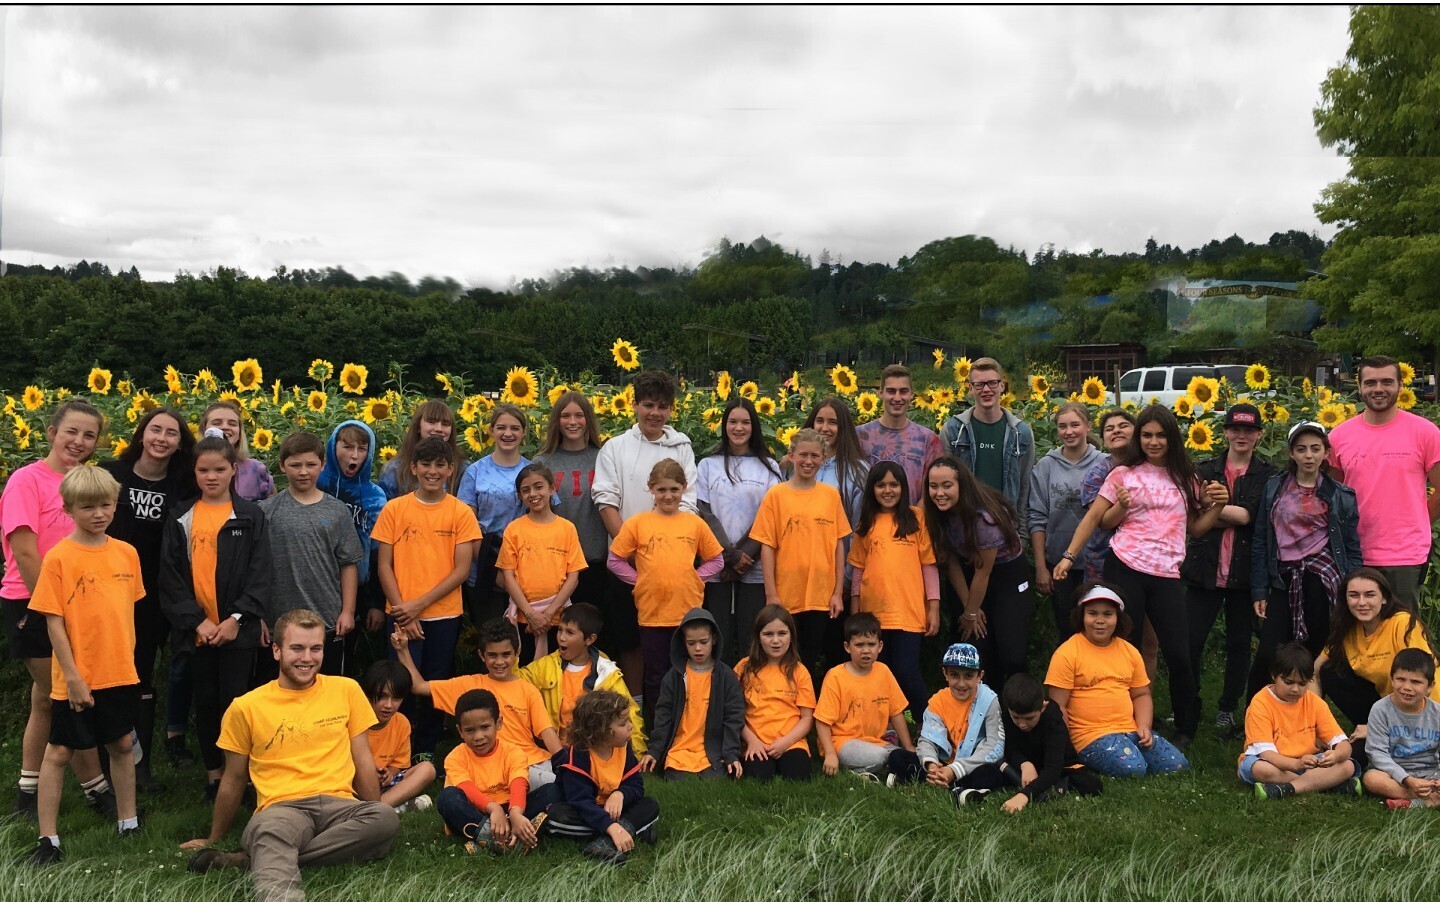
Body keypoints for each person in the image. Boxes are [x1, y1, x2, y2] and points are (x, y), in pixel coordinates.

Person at [181, 609, 400, 901]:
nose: (307, 658)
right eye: (297, 648)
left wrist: (370, 808)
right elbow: (233, 779)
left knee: (385, 818)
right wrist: (214, 837)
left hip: (339, 806)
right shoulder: (246, 707)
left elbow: (362, 759)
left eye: (316, 649)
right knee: (272, 831)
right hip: (282, 809)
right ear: (276, 650)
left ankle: (252, 859)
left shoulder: (346, 690)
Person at [1052, 405, 1229, 748]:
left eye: (1160, 435)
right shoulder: (1124, 473)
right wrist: (1068, 556)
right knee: (1123, 648)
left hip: (1166, 574)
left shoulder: (1185, 477)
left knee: (1178, 651)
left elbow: (1194, 527)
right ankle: (1123, 721)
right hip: (1125, 566)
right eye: (1146, 435)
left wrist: (1218, 506)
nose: (1153, 441)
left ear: (1171, 437)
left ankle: (1186, 727)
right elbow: (1094, 520)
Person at [2, 399, 117, 822]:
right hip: (32, 602)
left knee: (45, 700)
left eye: (89, 435)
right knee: (63, 695)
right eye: (71, 431)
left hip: (82, 603)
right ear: (51, 432)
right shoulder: (26, 481)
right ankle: (96, 789)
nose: (79, 442)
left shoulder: (87, 482)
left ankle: (27, 791)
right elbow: (26, 552)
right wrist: (50, 607)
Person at [26, 467, 144, 866]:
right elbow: (53, 622)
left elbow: (125, 614)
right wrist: (73, 676)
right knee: (59, 751)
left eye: (106, 505)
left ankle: (129, 822)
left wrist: (128, 661)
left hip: (120, 672)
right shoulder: (59, 558)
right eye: (87, 507)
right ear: (69, 508)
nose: (98, 513)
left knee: (122, 744)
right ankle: (48, 838)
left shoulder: (127, 553)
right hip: (76, 678)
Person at [158, 434, 272, 800]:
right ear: (194, 471)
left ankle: (242, 777)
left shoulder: (251, 516)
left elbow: (261, 574)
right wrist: (197, 621)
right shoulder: (181, 516)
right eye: (203, 470)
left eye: (219, 469)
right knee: (205, 703)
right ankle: (215, 776)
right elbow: (170, 578)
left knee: (237, 703)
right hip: (198, 633)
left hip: (236, 631)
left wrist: (236, 618)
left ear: (233, 470)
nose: (211, 477)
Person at [101, 406, 196, 791]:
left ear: (179, 444)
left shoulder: (183, 486)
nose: (161, 438)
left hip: (158, 595)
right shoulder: (112, 475)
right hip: (109, 589)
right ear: (141, 434)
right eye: (155, 430)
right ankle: (105, 761)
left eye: (171, 433)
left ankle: (138, 766)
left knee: (142, 674)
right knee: (109, 674)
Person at [593, 369, 698, 712]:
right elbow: (606, 502)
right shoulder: (615, 448)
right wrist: (634, 551)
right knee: (632, 639)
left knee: (672, 638)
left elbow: (689, 503)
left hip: (672, 566)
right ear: (635, 405)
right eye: (648, 404)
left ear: (671, 410)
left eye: (663, 406)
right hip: (629, 564)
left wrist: (664, 555)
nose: (655, 413)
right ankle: (638, 709)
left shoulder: (682, 447)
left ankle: (674, 707)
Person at [371, 435, 481, 758]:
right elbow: (384, 566)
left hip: (444, 615)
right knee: (400, 683)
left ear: (450, 469)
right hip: (401, 614)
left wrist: (419, 606)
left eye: (440, 465)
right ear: (414, 468)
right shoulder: (394, 510)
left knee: (437, 683)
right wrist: (405, 612)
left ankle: (426, 750)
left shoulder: (460, 513)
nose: (432, 471)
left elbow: (461, 570)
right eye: (426, 465)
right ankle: (396, 749)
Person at [1180, 403, 1277, 734]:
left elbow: (1250, 516)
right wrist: (1211, 511)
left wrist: (1213, 508)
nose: (1241, 435)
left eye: (1249, 430)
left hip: (1244, 573)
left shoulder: (1267, 474)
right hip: (1203, 570)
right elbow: (1191, 513)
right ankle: (1188, 702)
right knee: (1190, 641)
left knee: (1239, 645)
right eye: (1235, 429)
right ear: (1225, 432)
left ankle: (1228, 707)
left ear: (1259, 435)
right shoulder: (1205, 468)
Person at [1247, 422, 1360, 702]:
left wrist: (1354, 589)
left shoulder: (1340, 495)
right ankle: (1256, 713)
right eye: (1301, 449)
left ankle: (1310, 718)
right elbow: (1262, 538)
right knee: (1270, 649)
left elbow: (1350, 545)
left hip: (1322, 580)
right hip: (1284, 577)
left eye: (1315, 448)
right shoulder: (1275, 488)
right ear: (1291, 453)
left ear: (1325, 453)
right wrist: (1259, 589)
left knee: (1315, 651)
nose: (1309, 455)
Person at [609, 459, 724, 723]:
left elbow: (716, 560)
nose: (668, 496)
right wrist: (639, 580)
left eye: (674, 489)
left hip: (687, 615)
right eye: (661, 490)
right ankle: (659, 728)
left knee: (689, 672)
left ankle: (690, 725)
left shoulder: (693, 524)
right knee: (657, 675)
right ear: (650, 489)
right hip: (652, 614)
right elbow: (614, 560)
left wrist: (695, 578)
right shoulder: (638, 523)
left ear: (684, 488)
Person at [393, 617, 561, 786]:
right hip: (504, 767)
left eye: (506, 654)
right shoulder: (469, 685)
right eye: (492, 655)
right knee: (560, 785)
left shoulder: (528, 689)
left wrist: (564, 763)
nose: (499, 662)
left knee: (571, 777)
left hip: (536, 760)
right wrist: (403, 650)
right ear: (482, 655)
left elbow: (547, 733)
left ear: (517, 653)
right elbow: (419, 686)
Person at [1328, 355, 1440, 607]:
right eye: (1370, 383)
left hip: (1405, 555)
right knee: (1356, 633)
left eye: (1387, 382)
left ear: (1401, 386)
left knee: (1403, 631)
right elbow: (1334, 493)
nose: (1378, 389)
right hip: (1354, 552)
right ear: (1359, 387)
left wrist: (1419, 521)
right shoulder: (1339, 436)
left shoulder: (1425, 433)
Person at [1044, 583, 1189, 778]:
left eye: (1107, 614)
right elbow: (1057, 705)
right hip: (1089, 736)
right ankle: (1097, 757)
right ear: (1082, 616)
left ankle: (1130, 749)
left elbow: (1141, 694)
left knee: (1178, 765)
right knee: (1133, 769)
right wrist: (1066, 747)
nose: (1100, 621)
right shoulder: (1067, 653)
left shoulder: (1129, 651)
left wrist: (1144, 726)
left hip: (1130, 730)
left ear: (1117, 618)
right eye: (1093, 613)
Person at [749, 428, 852, 685]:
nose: (809, 461)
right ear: (792, 456)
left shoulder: (830, 495)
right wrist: (772, 595)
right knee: (782, 654)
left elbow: (839, 545)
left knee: (810, 654)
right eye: (803, 454)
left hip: (821, 594)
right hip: (786, 594)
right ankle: (781, 708)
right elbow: (767, 546)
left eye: (815, 456)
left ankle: (807, 708)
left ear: (824, 457)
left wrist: (838, 591)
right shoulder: (777, 495)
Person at [258, 432, 363, 680]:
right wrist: (258, 617)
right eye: (295, 465)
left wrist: (347, 611)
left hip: (326, 618)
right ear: (282, 466)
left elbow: (348, 563)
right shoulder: (266, 511)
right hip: (277, 623)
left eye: (310, 465)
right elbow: (256, 567)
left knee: (326, 689)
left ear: (323, 465)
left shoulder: (337, 511)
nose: (303, 472)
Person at [923, 456, 1031, 691]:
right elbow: (949, 561)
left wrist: (971, 614)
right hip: (966, 570)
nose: (940, 493)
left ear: (962, 485)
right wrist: (967, 608)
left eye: (947, 486)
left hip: (1006, 573)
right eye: (934, 486)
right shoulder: (934, 512)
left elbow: (984, 573)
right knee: (975, 646)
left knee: (1010, 651)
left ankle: (1017, 706)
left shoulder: (983, 519)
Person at [1312, 568, 1439, 755]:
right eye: (1354, 595)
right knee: (1329, 671)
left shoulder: (1402, 623)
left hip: (1421, 711)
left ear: (1384, 598)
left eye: (1370, 595)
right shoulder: (1347, 629)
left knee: (1357, 753)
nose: (1361, 602)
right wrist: (1314, 725)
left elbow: (1422, 683)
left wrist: (1376, 728)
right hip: (1385, 706)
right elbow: (1315, 671)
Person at [848, 460, 939, 719]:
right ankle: (885, 727)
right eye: (880, 485)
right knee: (879, 673)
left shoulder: (916, 518)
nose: (887, 490)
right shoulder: (866, 523)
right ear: (872, 490)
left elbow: (929, 566)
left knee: (906, 670)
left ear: (903, 488)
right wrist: (855, 610)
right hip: (874, 612)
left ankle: (929, 724)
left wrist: (933, 606)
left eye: (893, 484)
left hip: (909, 612)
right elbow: (857, 570)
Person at [695, 398, 783, 665]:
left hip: (753, 566)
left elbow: (769, 517)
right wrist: (727, 555)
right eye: (732, 421)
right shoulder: (708, 465)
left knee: (751, 634)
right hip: (716, 563)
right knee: (716, 632)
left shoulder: (769, 466)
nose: (738, 428)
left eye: (745, 422)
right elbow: (703, 512)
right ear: (724, 425)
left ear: (754, 426)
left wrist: (743, 557)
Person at [546, 689, 659, 866]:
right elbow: (580, 801)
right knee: (556, 817)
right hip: (585, 811)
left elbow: (636, 786)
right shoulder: (578, 756)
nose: (630, 726)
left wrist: (620, 794)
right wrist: (611, 826)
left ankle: (603, 843)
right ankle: (626, 832)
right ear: (602, 732)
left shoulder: (623, 747)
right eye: (623, 724)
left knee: (650, 805)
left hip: (614, 809)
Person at [518, 603, 646, 755]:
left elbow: (629, 713)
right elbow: (513, 682)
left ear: (590, 639)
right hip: (555, 751)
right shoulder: (545, 666)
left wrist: (637, 755)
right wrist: (513, 651)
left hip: (593, 751)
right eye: (560, 630)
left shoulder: (606, 672)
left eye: (570, 633)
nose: (561, 638)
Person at [436, 689, 555, 853]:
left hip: (511, 807)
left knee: (553, 790)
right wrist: (494, 809)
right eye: (470, 730)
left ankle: (489, 841)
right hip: (477, 813)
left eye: (485, 727)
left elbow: (518, 783)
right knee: (446, 798)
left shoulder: (513, 751)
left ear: (498, 723)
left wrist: (515, 813)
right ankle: (507, 840)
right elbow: (467, 789)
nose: (478, 736)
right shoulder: (455, 757)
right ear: (460, 731)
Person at [1241, 642, 1357, 801]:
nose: (1295, 689)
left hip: (1308, 763)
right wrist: (1296, 765)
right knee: (1262, 769)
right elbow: (1267, 753)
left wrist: (1336, 755)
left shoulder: (1315, 702)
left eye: (1302, 683)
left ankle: (1287, 789)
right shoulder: (1260, 703)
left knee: (1347, 765)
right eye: (1288, 682)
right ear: (1274, 675)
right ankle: (1325, 784)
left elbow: (1344, 745)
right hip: (1273, 763)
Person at [640, 608, 744, 780]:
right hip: (679, 750)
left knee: (716, 778)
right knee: (676, 777)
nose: (698, 648)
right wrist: (655, 751)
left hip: (713, 751)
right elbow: (663, 717)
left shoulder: (727, 677)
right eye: (691, 643)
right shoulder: (673, 677)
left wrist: (731, 754)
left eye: (704, 642)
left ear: (714, 639)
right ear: (683, 642)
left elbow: (734, 718)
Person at [1029, 401, 1103, 642]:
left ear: (1088, 426)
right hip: (1058, 563)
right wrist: (1041, 567)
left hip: (1096, 561)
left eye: (1075, 425)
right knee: (1067, 626)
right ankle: (1070, 676)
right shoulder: (1045, 466)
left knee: (1097, 625)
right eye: (1062, 426)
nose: (1069, 431)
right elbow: (1037, 518)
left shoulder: (1104, 463)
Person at [814, 613, 919, 782]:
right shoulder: (835, 676)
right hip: (843, 743)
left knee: (907, 757)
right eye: (859, 645)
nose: (866, 650)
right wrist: (830, 753)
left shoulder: (883, 671)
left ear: (880, 646)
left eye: (871, 644)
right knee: (881, 757)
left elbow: (896, 713)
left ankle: (868, 773)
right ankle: (869, 770)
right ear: (847, 647)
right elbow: (822, 721)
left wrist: (908, 747)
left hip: (877, 742)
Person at [498, 462, 587, 662]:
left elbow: (573, 576)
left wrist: (548, 614)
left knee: (557, 670)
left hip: (558, 617)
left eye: (539, 487)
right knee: (526, 669)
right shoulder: (514, 529)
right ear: (520, 496)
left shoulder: (566, 529)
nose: (533, 494)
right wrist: (531, 615)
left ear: (552, 488)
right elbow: (508, 576)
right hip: (524, 618)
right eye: (526, 490)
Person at [534, 391, 608, 619]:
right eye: (566, 416)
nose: (573, 422)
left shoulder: (605, 457)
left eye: (579, 415)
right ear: (557, 421)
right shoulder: (543, 461)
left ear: (588, 419)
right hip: (554, 565)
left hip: (595, 562)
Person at [457, 404, 533, 626]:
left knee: (524, 641)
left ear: (524, 433)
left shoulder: (533, 471)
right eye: (501, 427)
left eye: (515, 428)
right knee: (492, 639)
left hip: (524, 567)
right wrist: (494, 572)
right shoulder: (475, 472)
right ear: (491, 431)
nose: (508, 434)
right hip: (483, 563)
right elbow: (467, 526)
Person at [317, 419, 389, 644]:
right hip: (315, 582)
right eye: (347, 447)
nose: (354, 455)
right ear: (332, 447)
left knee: (345, 650)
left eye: (362, 449)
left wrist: (376, 603)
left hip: (359, 588)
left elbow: (379, 552)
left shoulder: (375, 496)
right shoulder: (316, 484)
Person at [910, 643, 1006, 807]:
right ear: (945, 674)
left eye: (968, 676)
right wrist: (932, 766)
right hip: (943, 763)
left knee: (992, 772)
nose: (961, 684)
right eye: (955, 675)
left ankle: (965, 787)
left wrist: (955, 770)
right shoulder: (937, 701)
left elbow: (995, 746)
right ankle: (940, 780)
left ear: (979, 676)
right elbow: (927, 739)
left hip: (971, 765)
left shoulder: (990, 700)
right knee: (899, 757)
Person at [941, 357, 1035, 516]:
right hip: (964, 524)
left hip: (1005, 525)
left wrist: (1022, 535)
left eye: (992, 383)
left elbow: (1024, 489)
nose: (986, 390)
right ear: (970, 388)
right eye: (979, 384)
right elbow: (943, 484)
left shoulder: (1022, 433)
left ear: (1002, 386)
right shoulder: (953, 430)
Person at [998, 673, 1101, 814]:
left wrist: (1024, 795)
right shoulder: (1007, 711)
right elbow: (1009, 747)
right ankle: (1043, 786)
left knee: (1092, 785)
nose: (1022, 724)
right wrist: (1025, 764)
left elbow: (1053, 767)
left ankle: (1054, 786)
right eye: (1016, 717)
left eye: (1029, 718)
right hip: (1025, 762)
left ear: (1043, 707)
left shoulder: (1053, 720)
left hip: (1059, 765)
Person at [734, 605, 815, 782]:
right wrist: (751, 740)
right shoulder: (743, 668)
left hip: (791, 741)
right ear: (758, 637)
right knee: (758, 778)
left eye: (782, 633)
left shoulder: (799, 671)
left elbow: (807, 718)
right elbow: (733, 713)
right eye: (768, 634)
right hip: (756, 741)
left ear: (791, 636)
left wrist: (786, 742)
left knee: (799, 777)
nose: (775, 640)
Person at [1361, 648, 1440, 809]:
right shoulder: (1380, 709)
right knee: (1371, 778)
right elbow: (1376, 752)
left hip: (1431, 773)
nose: (1407, 687)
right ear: (1391, 679)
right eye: (1401, 679)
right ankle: (1422, 798)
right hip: (1394, 775)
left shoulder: (1437, 712)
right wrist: (1408, 780)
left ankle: (1411, 803)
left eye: (1416, 682)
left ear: (1430, 686)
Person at [856, 364, 943, 502]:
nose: (897, 398)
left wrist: (916, 519)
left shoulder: (928, 440)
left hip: (912, 520)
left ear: (911, 394)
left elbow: (933, 490)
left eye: (903, 391)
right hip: (870, 521)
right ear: (881, 393)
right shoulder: (860, 436)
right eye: (891, 391)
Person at [360, 660, 437, 812]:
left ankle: (378, 808)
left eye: (396, 698)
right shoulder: (355, 720)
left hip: (386, 782)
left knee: (428, 769)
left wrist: (390, 774)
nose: (389, 705)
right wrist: (369, 773)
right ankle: (394, 806)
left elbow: (400, 763)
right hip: (357, 782)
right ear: (368, 694)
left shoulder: (401, 722)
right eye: (382, 696)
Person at [803, 397, 870, 532]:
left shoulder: (859, 471)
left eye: (833, 422)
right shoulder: (798, 466)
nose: (825, 428)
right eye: (820, 421)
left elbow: (859, 527)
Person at [379, 399, 466, 499]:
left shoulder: (462, 468)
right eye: (431, 422)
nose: (439, 428)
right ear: (418, 427)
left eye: (445, 424)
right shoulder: (394, 469)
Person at [200, 401, 273, 502]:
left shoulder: (256, 470)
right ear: (204, 430)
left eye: (232, 423)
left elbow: (271, 504)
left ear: (239, 433)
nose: (225, 427)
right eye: (217, 423)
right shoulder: (190, 467)